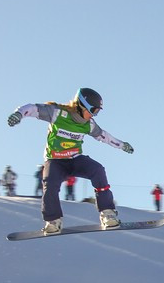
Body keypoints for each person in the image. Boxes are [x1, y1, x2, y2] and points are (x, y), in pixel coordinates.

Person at [7, 87, 134, 234]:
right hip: (55, 160)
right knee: (50, 185)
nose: (93, 115)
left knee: (98, 170)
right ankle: (53, 221)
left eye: (97, 112)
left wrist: (122, 145)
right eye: (93, 110)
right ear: (81, 105)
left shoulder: (88, 124)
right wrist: (18, 114)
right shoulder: (57, 113)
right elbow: (32, 108)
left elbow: (104, 136)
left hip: (75, 159)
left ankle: (107, 213)